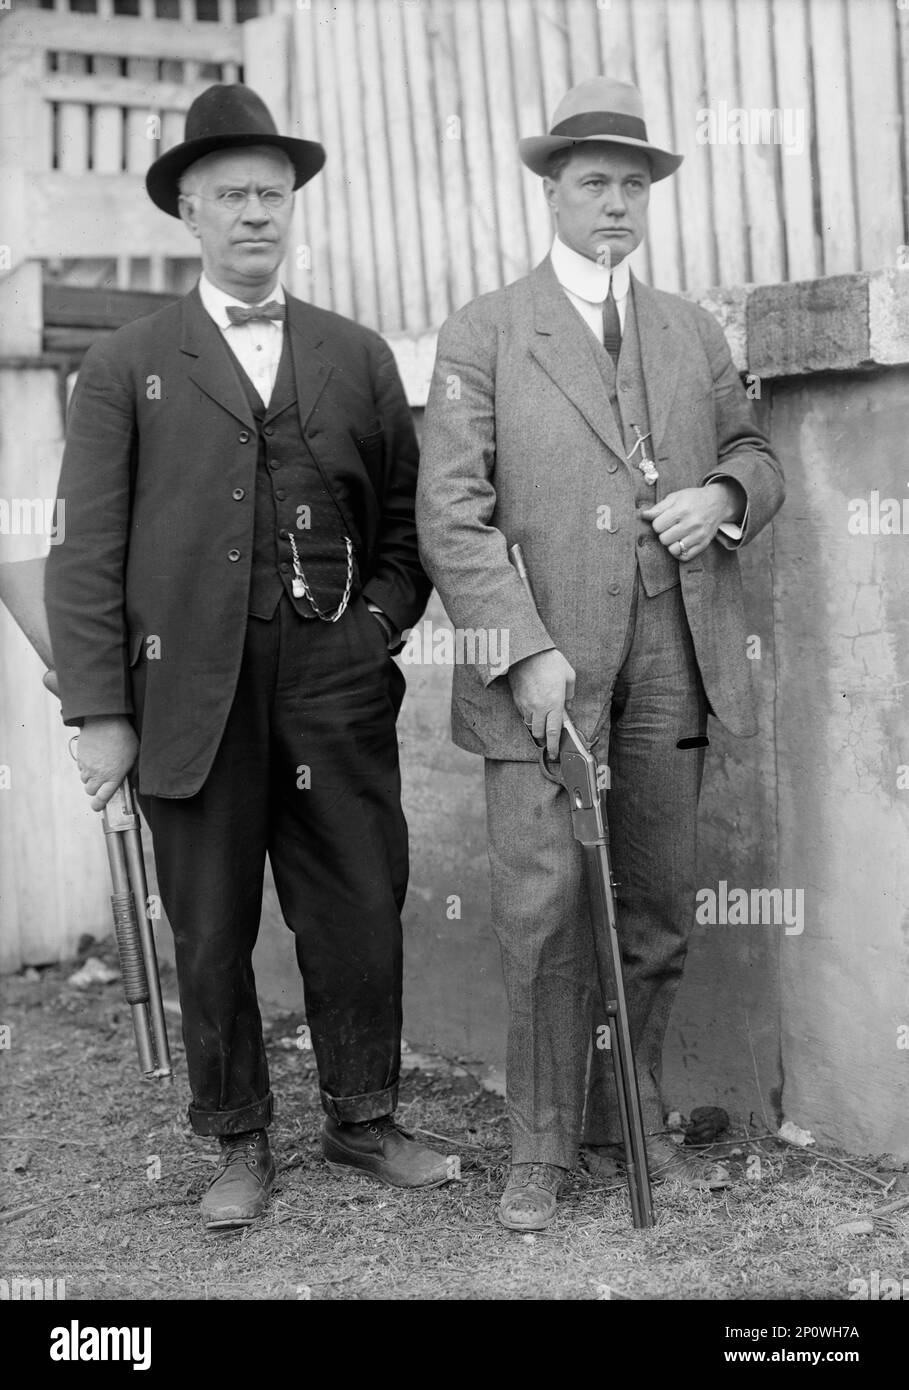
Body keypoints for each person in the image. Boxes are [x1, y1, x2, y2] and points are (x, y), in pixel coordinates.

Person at [46, 84, 451, 1229]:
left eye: (273, 194)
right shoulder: (127, 364)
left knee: (360, 899)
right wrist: (99, 712)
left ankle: (364, 1116)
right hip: (187, 690)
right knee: (213, 922)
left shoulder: (356, 355)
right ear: (188, 210)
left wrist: (374, 627)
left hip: (334, 682)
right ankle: (235, 1139)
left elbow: (411, 528)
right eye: (231, 195)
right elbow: (84, 554)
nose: (256, 215)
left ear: (294, 208)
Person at [417, 77, 785, 1230]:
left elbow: (751, 449)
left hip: (674, 645)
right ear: (553, 192)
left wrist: (724, 492)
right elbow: (451, 512)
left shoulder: (690, 331)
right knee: (540, 906)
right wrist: (519, 651)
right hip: (545, 662)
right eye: (592, 183)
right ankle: (537, 1149)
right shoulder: (485, 329)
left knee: (659, 902)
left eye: (633, 184)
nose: (615, 202)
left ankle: (623, 1118)